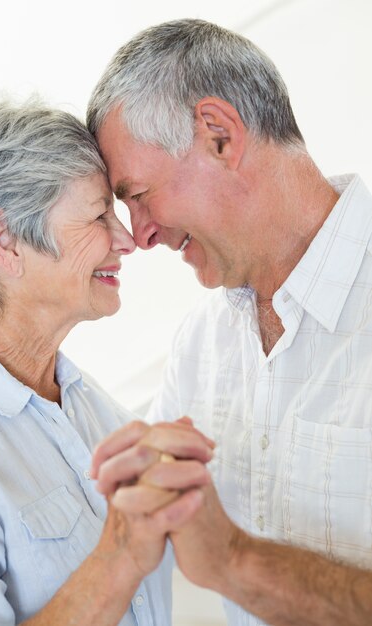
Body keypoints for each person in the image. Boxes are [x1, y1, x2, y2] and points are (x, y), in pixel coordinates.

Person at [87, 18, 372, 626]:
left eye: (137, 195)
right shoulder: (201, 345)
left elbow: (221, 557)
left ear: (219, 135)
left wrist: (235, 560)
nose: (140, 236)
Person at [0, 91, 214, 626]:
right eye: (99, 216)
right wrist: (120, 553)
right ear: (4, 239)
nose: (128, 240)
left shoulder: (96, 411)